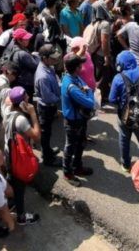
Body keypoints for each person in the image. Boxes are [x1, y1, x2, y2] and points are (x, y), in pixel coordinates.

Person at [3, 86, 41, 225]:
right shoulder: (20, 120)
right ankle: (21, 217)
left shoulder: (8, 110)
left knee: (11, 181)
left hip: (9, 154)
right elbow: (36, 136)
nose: (28, 99)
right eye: (26, 98)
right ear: (21, 104)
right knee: (19, 189)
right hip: (17, 158)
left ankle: (10, 203)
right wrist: (33, 113)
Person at [60, 53, 96, 187]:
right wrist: (89, 92)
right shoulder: (72, 86)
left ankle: (77, 167)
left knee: (80, 143)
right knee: (70, 147)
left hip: (79, 120)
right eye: (80, 64)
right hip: (73, 122)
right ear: (76, 68)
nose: (82, 65)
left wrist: (86, 89)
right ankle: (67, 173)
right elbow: (89, 102)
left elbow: (84, 85)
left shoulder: (74, 77)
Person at [33, 44, 63, 167]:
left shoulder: (48, 67)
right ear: (44, 58)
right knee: (45, 133)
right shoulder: (42, 76)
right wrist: (61, 99)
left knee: (48, 132)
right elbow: (48, 97)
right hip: (46, 107)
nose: (55, 60)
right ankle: (47, 158)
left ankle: (48, 151)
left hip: (50, 105)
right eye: (52, 58)